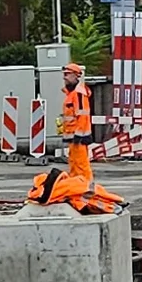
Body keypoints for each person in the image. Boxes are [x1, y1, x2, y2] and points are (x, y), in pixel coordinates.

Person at [58, 62, 95, 191]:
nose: (65, 77)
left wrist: (79, 135)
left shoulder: (79, 94)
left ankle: (86, 190)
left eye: (67, 74)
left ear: (76, 76)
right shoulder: (72, 94)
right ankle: (77, 189)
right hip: (74, 138)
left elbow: (83, 116)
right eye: (64, 74)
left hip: (78, 137)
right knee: (74, 165)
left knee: (81, 166)